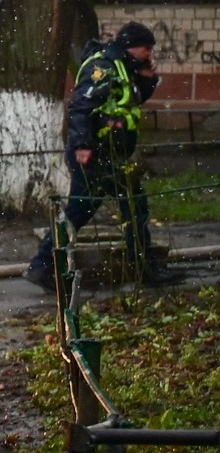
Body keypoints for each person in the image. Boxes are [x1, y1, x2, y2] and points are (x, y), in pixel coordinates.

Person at [24, 21, 184, 289]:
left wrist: (147, 80)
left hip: (110, 155)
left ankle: (43, 266)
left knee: (116, 208)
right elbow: (81, 107)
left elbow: (128, 102)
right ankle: (143, 270)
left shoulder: (124, 67)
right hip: (97, 155)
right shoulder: (103, 67)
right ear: (131, 46)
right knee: (121, 208)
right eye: (146, 48)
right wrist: (83, 145)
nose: (150, 54)